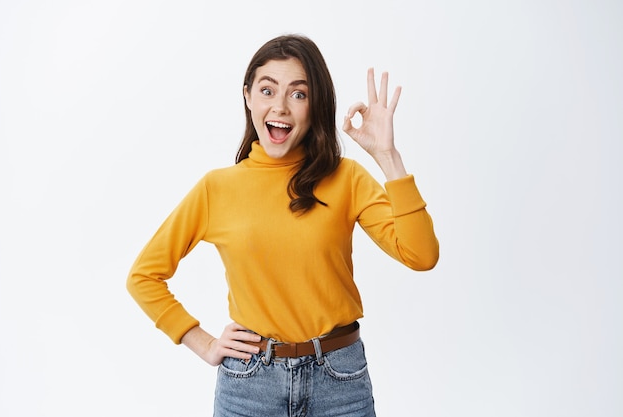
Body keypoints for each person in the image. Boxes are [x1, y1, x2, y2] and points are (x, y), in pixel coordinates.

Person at [126, 34, 439, 417]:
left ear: (315, 105)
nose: (280, 107)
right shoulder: (217, 188)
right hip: (249, 384)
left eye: (298, 94)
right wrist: (202, 342)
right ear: (248, 97)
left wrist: (388, 157)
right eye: (267, 90)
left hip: (339, 380)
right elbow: (144, 276)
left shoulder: (347, 178)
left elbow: (421, 255)